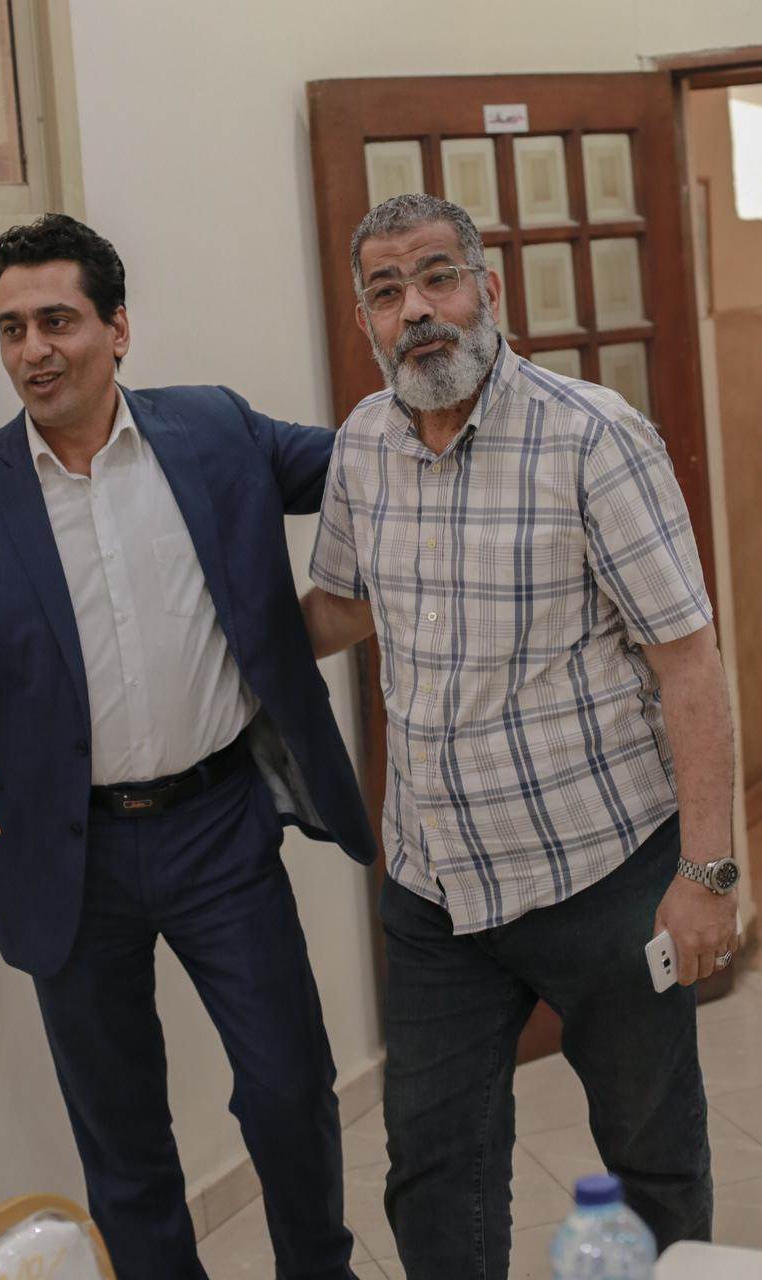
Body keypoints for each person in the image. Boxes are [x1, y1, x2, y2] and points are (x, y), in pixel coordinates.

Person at [0, 213, 377, 1280]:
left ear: (117, 328)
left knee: (288, 1084)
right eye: (13, 328)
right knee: (122, 1138)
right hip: (63, 851)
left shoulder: (214, 430)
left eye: (58, 321)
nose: (35, 349)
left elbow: (366, 466)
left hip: (219, 826)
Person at [302, 193, 740, 1279]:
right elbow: (343, 608)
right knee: (432, 1168)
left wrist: (708, 871)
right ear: (365, 320)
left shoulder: (592, 435)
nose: (417, 309)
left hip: (604, 875)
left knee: (651, 1155)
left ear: (487, 290)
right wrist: (206, 632)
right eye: (388, 291)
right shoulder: (361, 445)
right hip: (434, 887)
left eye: (438, 277)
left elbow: (688, 659)